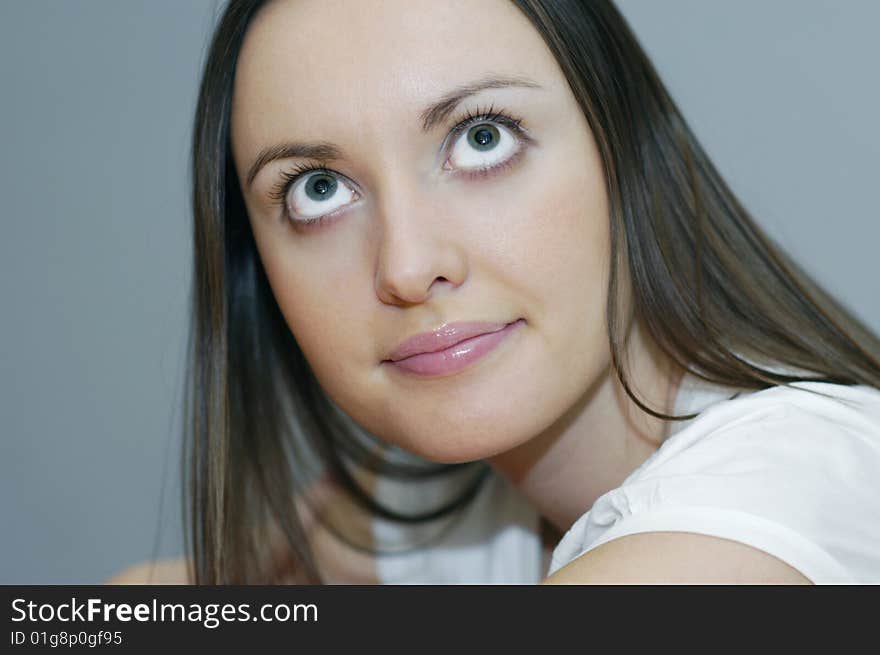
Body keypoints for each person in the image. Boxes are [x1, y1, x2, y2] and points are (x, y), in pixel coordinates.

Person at [108, 0, 880, 585]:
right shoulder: (450, 508)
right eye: (319, 190)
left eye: (483, 137)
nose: (407, 266)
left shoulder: (772, 497)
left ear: (626, 154)